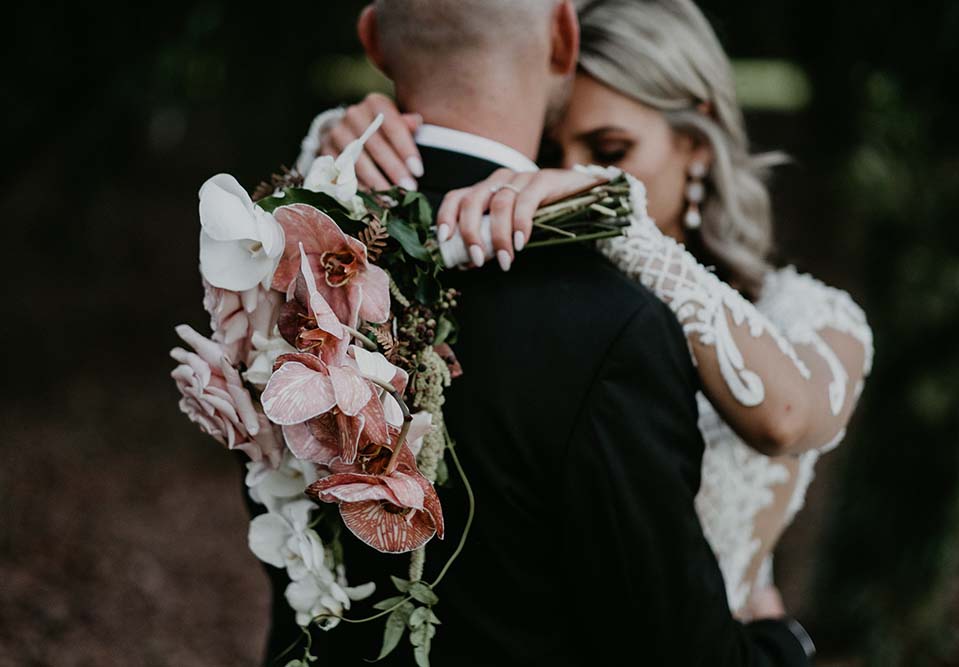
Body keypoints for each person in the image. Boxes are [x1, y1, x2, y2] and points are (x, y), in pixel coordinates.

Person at [266, 0, 819, 665]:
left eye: (607, 153)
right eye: (566, 150)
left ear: (372, 41)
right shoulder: (615, 326)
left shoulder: (272, 256)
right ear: (563, 34)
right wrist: (783, 642)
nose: (572, 175)